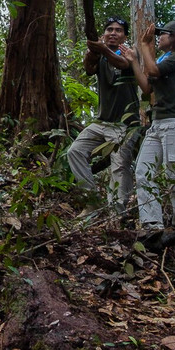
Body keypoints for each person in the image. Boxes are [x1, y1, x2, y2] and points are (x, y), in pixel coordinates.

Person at [122, 21, 175, 251]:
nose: (160, 37)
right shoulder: (166, 59)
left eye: (165, 34)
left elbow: (153, 71)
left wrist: (145, 44)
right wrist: (135, 60)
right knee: (143, 170)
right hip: (157, 122)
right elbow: (147, 86)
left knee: (174, 170)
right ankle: (152, 223)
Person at [65, 17, 140, 215]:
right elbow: (89, 69)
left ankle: (117, 212)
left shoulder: (130, 52)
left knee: (119, 165)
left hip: (124, 124)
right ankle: (92, 203)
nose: (113, 33)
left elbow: (123, 65)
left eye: (118, 30)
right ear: (103, 34)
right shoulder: (100, 55)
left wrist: (102, 49)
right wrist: (92, 50)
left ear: (124, 36)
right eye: (109, 30)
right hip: (102, 122)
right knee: (75, 152)